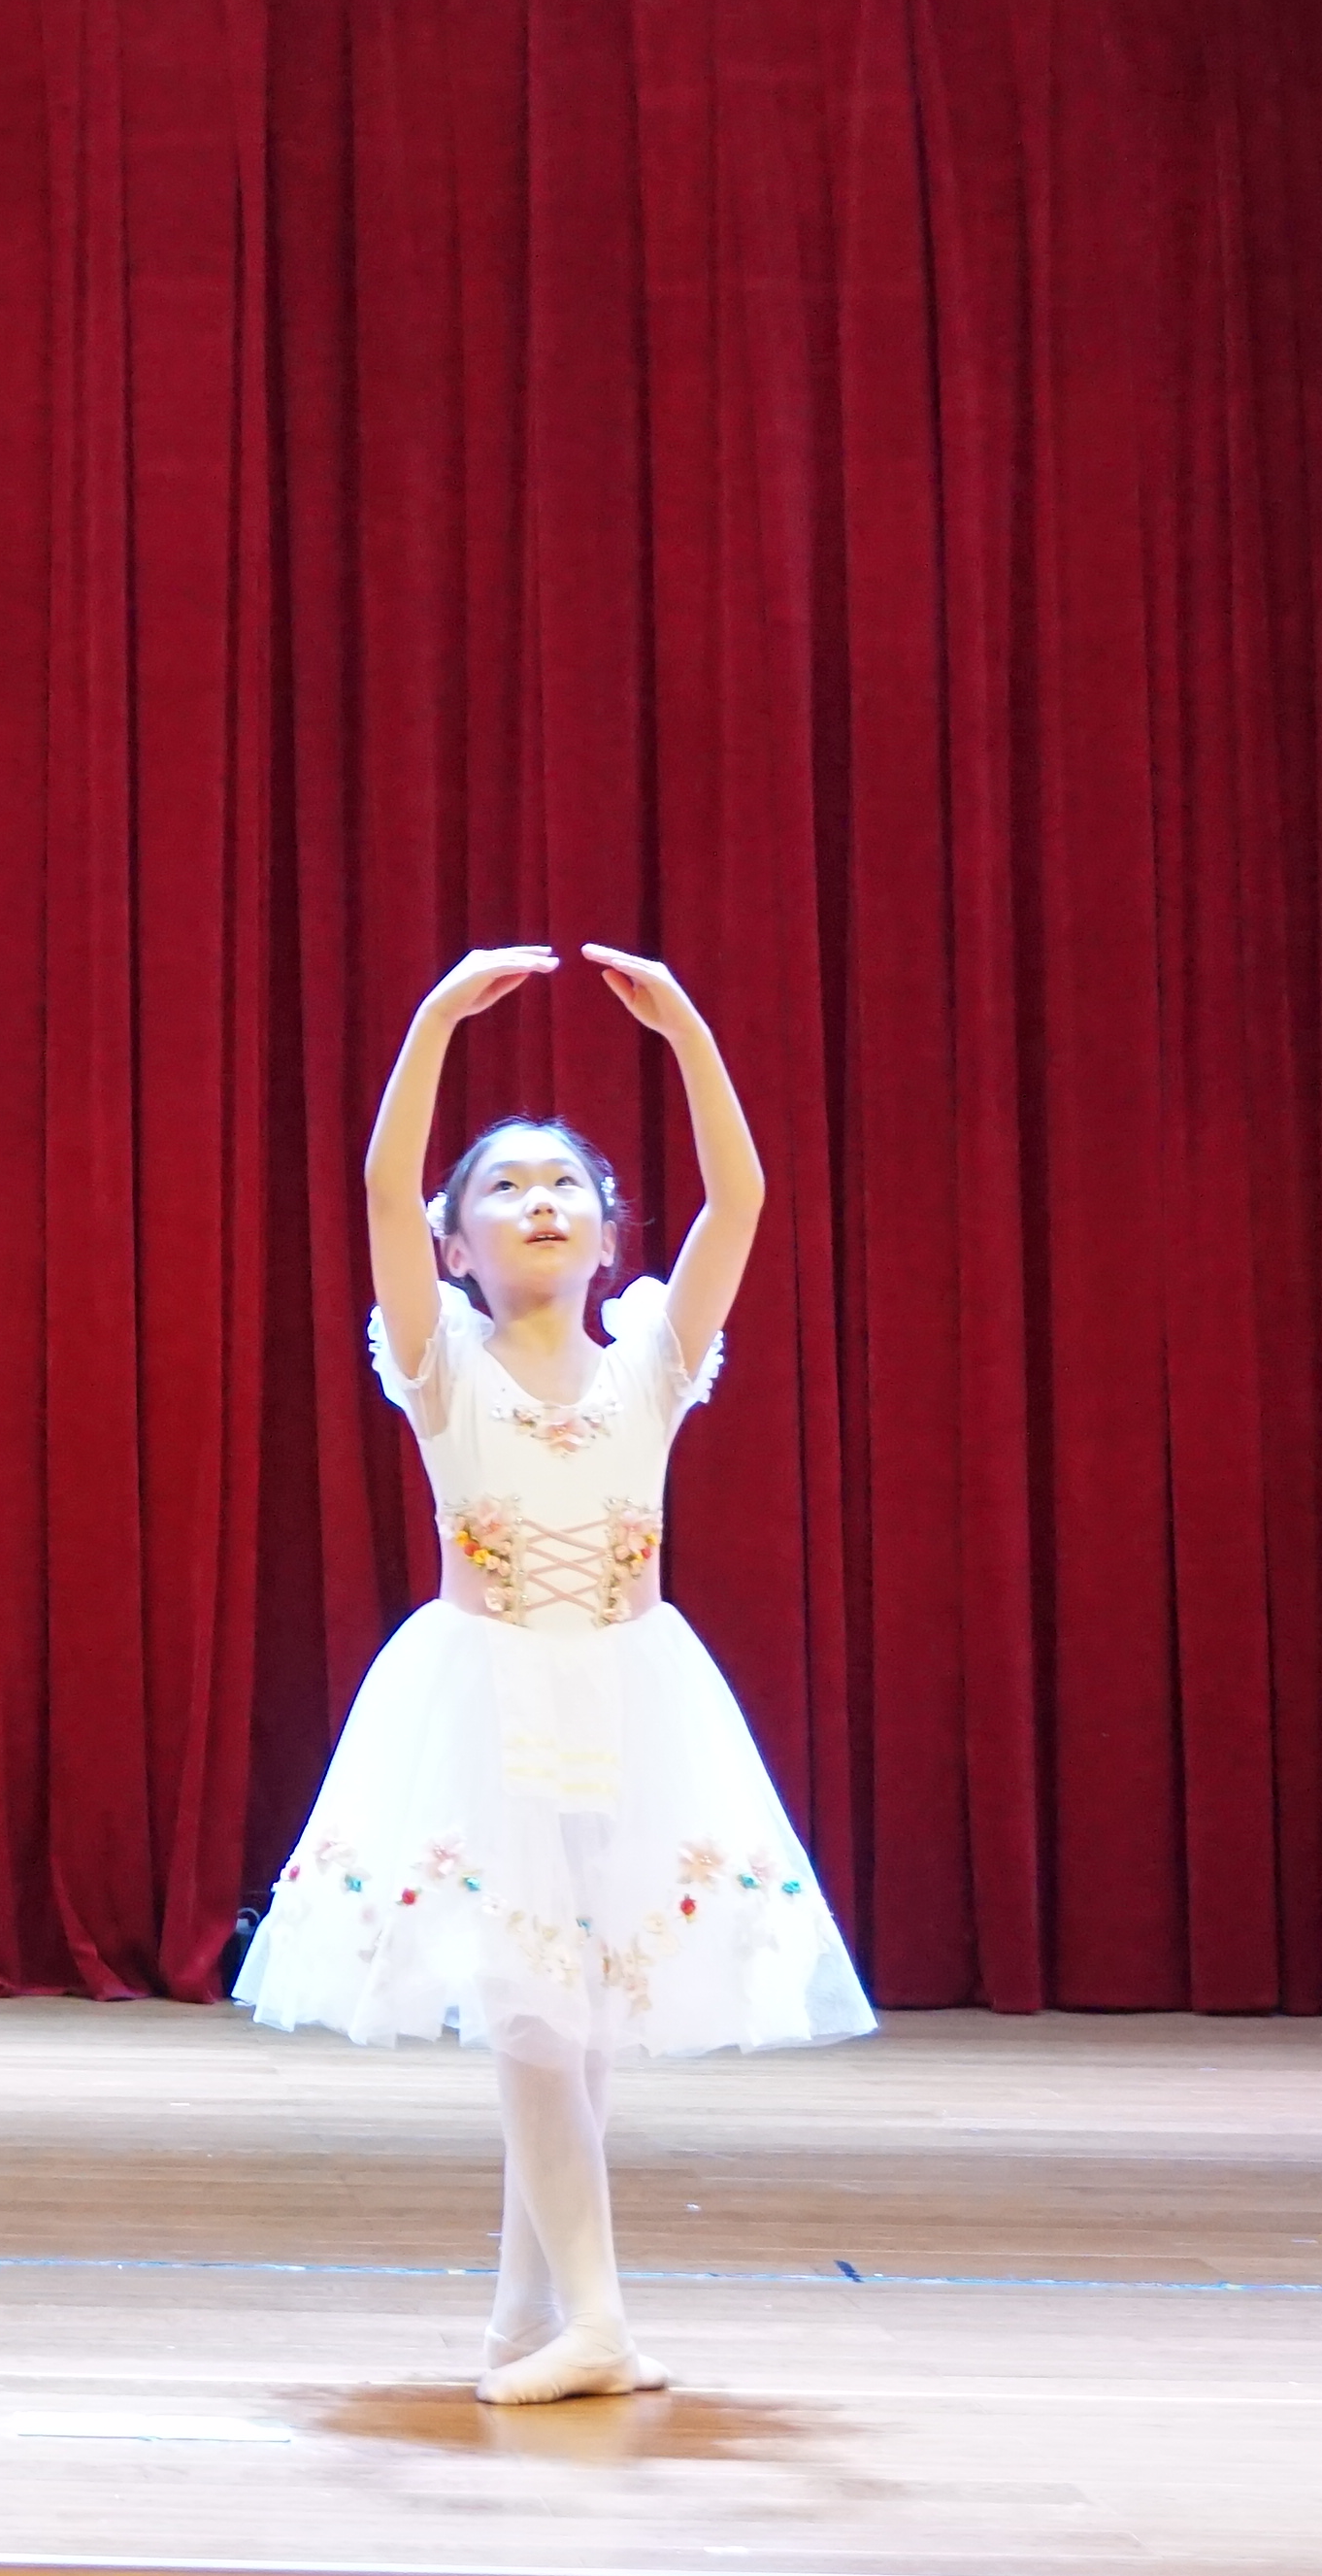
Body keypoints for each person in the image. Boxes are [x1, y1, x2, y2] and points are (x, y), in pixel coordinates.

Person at [235, 940, 873, 2404]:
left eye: (566, 1184)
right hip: (488, 1699)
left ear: (604, 1233)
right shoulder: (441, 1363)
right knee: (535, 2007)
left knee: (577, 2022)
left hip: (633, 1698)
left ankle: (529, 2316)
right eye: (504, 1187)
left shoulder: (652, 1356)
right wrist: (432, 1020)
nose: (540, 1201)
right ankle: (598, 2321)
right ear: (457, 1246)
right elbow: (381, 1189)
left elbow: (742, 1200)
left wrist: (690, 1031)